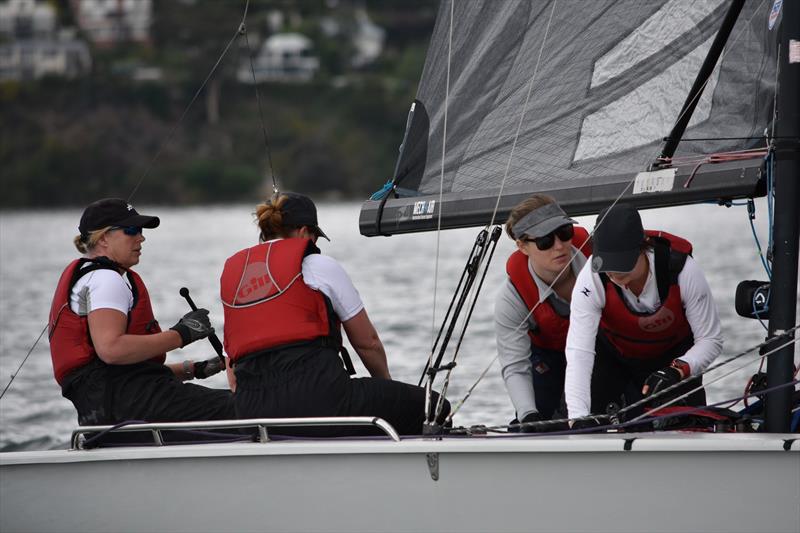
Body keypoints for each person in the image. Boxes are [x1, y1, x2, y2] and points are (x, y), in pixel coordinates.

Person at [220, 192, 449, 436]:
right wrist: (385, 386)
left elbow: (232, 375)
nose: (315, 244)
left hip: (252, 412)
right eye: (315, 237)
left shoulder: (237, 279)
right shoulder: (318, 265)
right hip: (321, 401)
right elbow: (367, 343)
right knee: (433, 407)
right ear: (303, 232)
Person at [49, 198, 235, 426]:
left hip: (108, 405)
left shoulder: (89, 275)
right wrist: (183, 333)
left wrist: (193, 369)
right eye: (131, 230)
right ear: (104, 237)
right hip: (126, 403)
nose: (141, 237)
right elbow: (112, 350)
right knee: (247, 406)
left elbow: (116, 372)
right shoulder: (106, 279)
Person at [564, 203, 723, 427]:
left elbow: (710, 340)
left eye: (621, 265)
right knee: (584, 419)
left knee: (691, 425)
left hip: (672, 363)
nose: (614, 274)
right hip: (615, 359)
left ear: (642, 248)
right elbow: (579, 352)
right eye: (608, 266)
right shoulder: (591, 279)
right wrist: (577, 417)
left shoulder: (682, 269)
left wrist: (679, 369)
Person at [494, 195, 591, 432]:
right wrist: (528, 415)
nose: (559, 246)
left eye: (565, 232)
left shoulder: (598, 261)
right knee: (537, 418)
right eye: (545, 241)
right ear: (522, 246)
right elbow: (515, 365)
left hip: (604, 352)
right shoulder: (512, 297)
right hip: (550, 358)